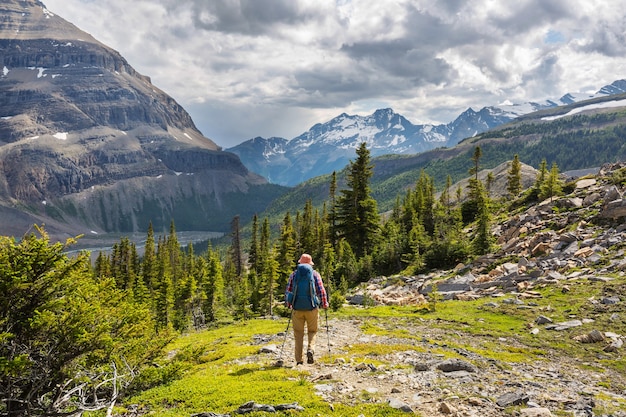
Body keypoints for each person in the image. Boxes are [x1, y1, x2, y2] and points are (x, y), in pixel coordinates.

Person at [285, 253, 328, 365]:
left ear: (300, 263)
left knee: (298, 334)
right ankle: (310, 349)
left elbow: (288, 291)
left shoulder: (293, 275)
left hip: (297, 309)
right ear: (310, 264)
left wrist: (289, 305)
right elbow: (321, 291)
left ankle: (299, 360)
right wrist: (324, 303)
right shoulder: (315, 274)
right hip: (312, 308)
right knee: (312, 331)